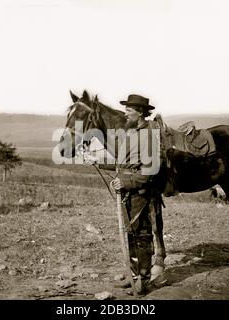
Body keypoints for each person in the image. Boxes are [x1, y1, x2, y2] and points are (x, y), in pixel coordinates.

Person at [84, 94, 167, 294]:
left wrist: (126, 182)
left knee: (141, 235)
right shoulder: (131, 133)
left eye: (129, 110)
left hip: (139, 192)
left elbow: (150, 172)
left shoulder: (149, 134)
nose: (125, 113)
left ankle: (144, 280)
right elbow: (123, 164)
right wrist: (98, 161)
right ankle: (133, 276)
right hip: (126, 191)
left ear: (140, 113)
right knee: (130, 235)